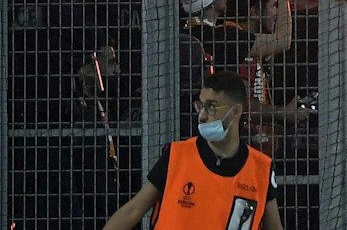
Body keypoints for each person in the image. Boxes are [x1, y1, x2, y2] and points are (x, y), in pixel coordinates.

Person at [101, 72, 283, 230]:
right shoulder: (176, 156)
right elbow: (133, 211)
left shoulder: (261, 169)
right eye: (201, 105)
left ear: (236, 111)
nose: (202, 115)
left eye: (211, 107)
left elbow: (274, 227)